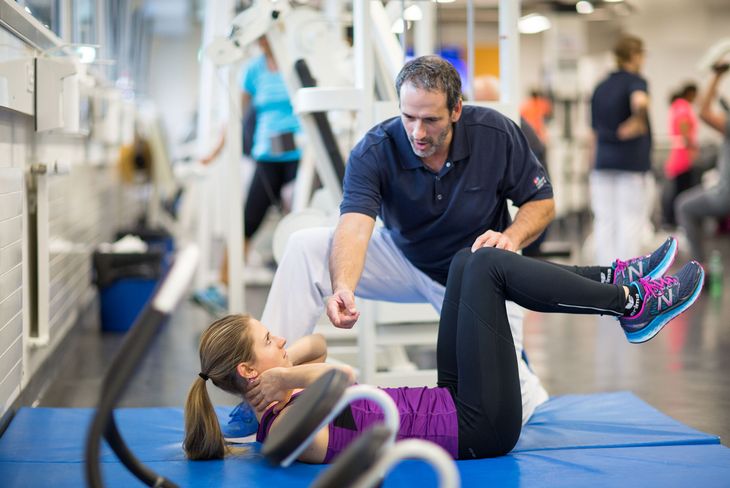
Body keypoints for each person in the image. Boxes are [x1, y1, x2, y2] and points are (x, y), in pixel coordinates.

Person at [183, 237, 705, 462]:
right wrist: (284, 381)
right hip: (478, 431)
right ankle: (629, 302)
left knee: (464, 261)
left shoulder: (277, 391)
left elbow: (316, 343)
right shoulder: (280, 431)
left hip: (449, 402)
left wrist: (277, 372)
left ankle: (614, 280)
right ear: (250, 368)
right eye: (269, 339)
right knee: (488, 268)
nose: (281, 336)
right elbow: (340, 373)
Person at [260, 55, 556, 424]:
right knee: (305, 245)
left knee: (514, 406)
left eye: (430, 120)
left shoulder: (496, 134)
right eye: (408, 117)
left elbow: (541, 202)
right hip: (405, 258)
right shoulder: (375, 149)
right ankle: (264, 393)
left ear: (456, 110)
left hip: (477, 274)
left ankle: (534, 396)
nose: (417, 132)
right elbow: (353, 225)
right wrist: (344, 288)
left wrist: (511, 237)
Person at [199, 36, 301, 292]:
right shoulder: (254, 70)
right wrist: (216, 150)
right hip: (267, 156)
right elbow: (235, 115)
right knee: (248, 221)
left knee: (299, 222)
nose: (262, 41)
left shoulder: (296, 62)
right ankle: (222, 287)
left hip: (300, 156)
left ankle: (300, 286)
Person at [590, 34, 653, 265]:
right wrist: (638, 121)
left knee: (605, 221)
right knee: (630, 220)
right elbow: (640, 102)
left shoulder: (600, 87)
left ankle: (605, 277)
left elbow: (593, 133)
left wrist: (593, 164)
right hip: (630, 163)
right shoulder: (636, 81)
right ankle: (628, 279)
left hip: (602, 162)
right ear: (635, 55)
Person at [676, 61, 730, 263]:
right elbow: (722, 106)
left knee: (684, 206)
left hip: (725, 195)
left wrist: (717, 76)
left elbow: (704, 113)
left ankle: (701, 268)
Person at [662, 83, 699, 228]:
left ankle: (671, 221)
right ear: (690, 93)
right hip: (683, 156)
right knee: (683, 192)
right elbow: (684, 127)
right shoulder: (683, 106)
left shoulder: (677, 106)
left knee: (677, 189)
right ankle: (677, 222)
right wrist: (692, 144)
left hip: (677, 155)